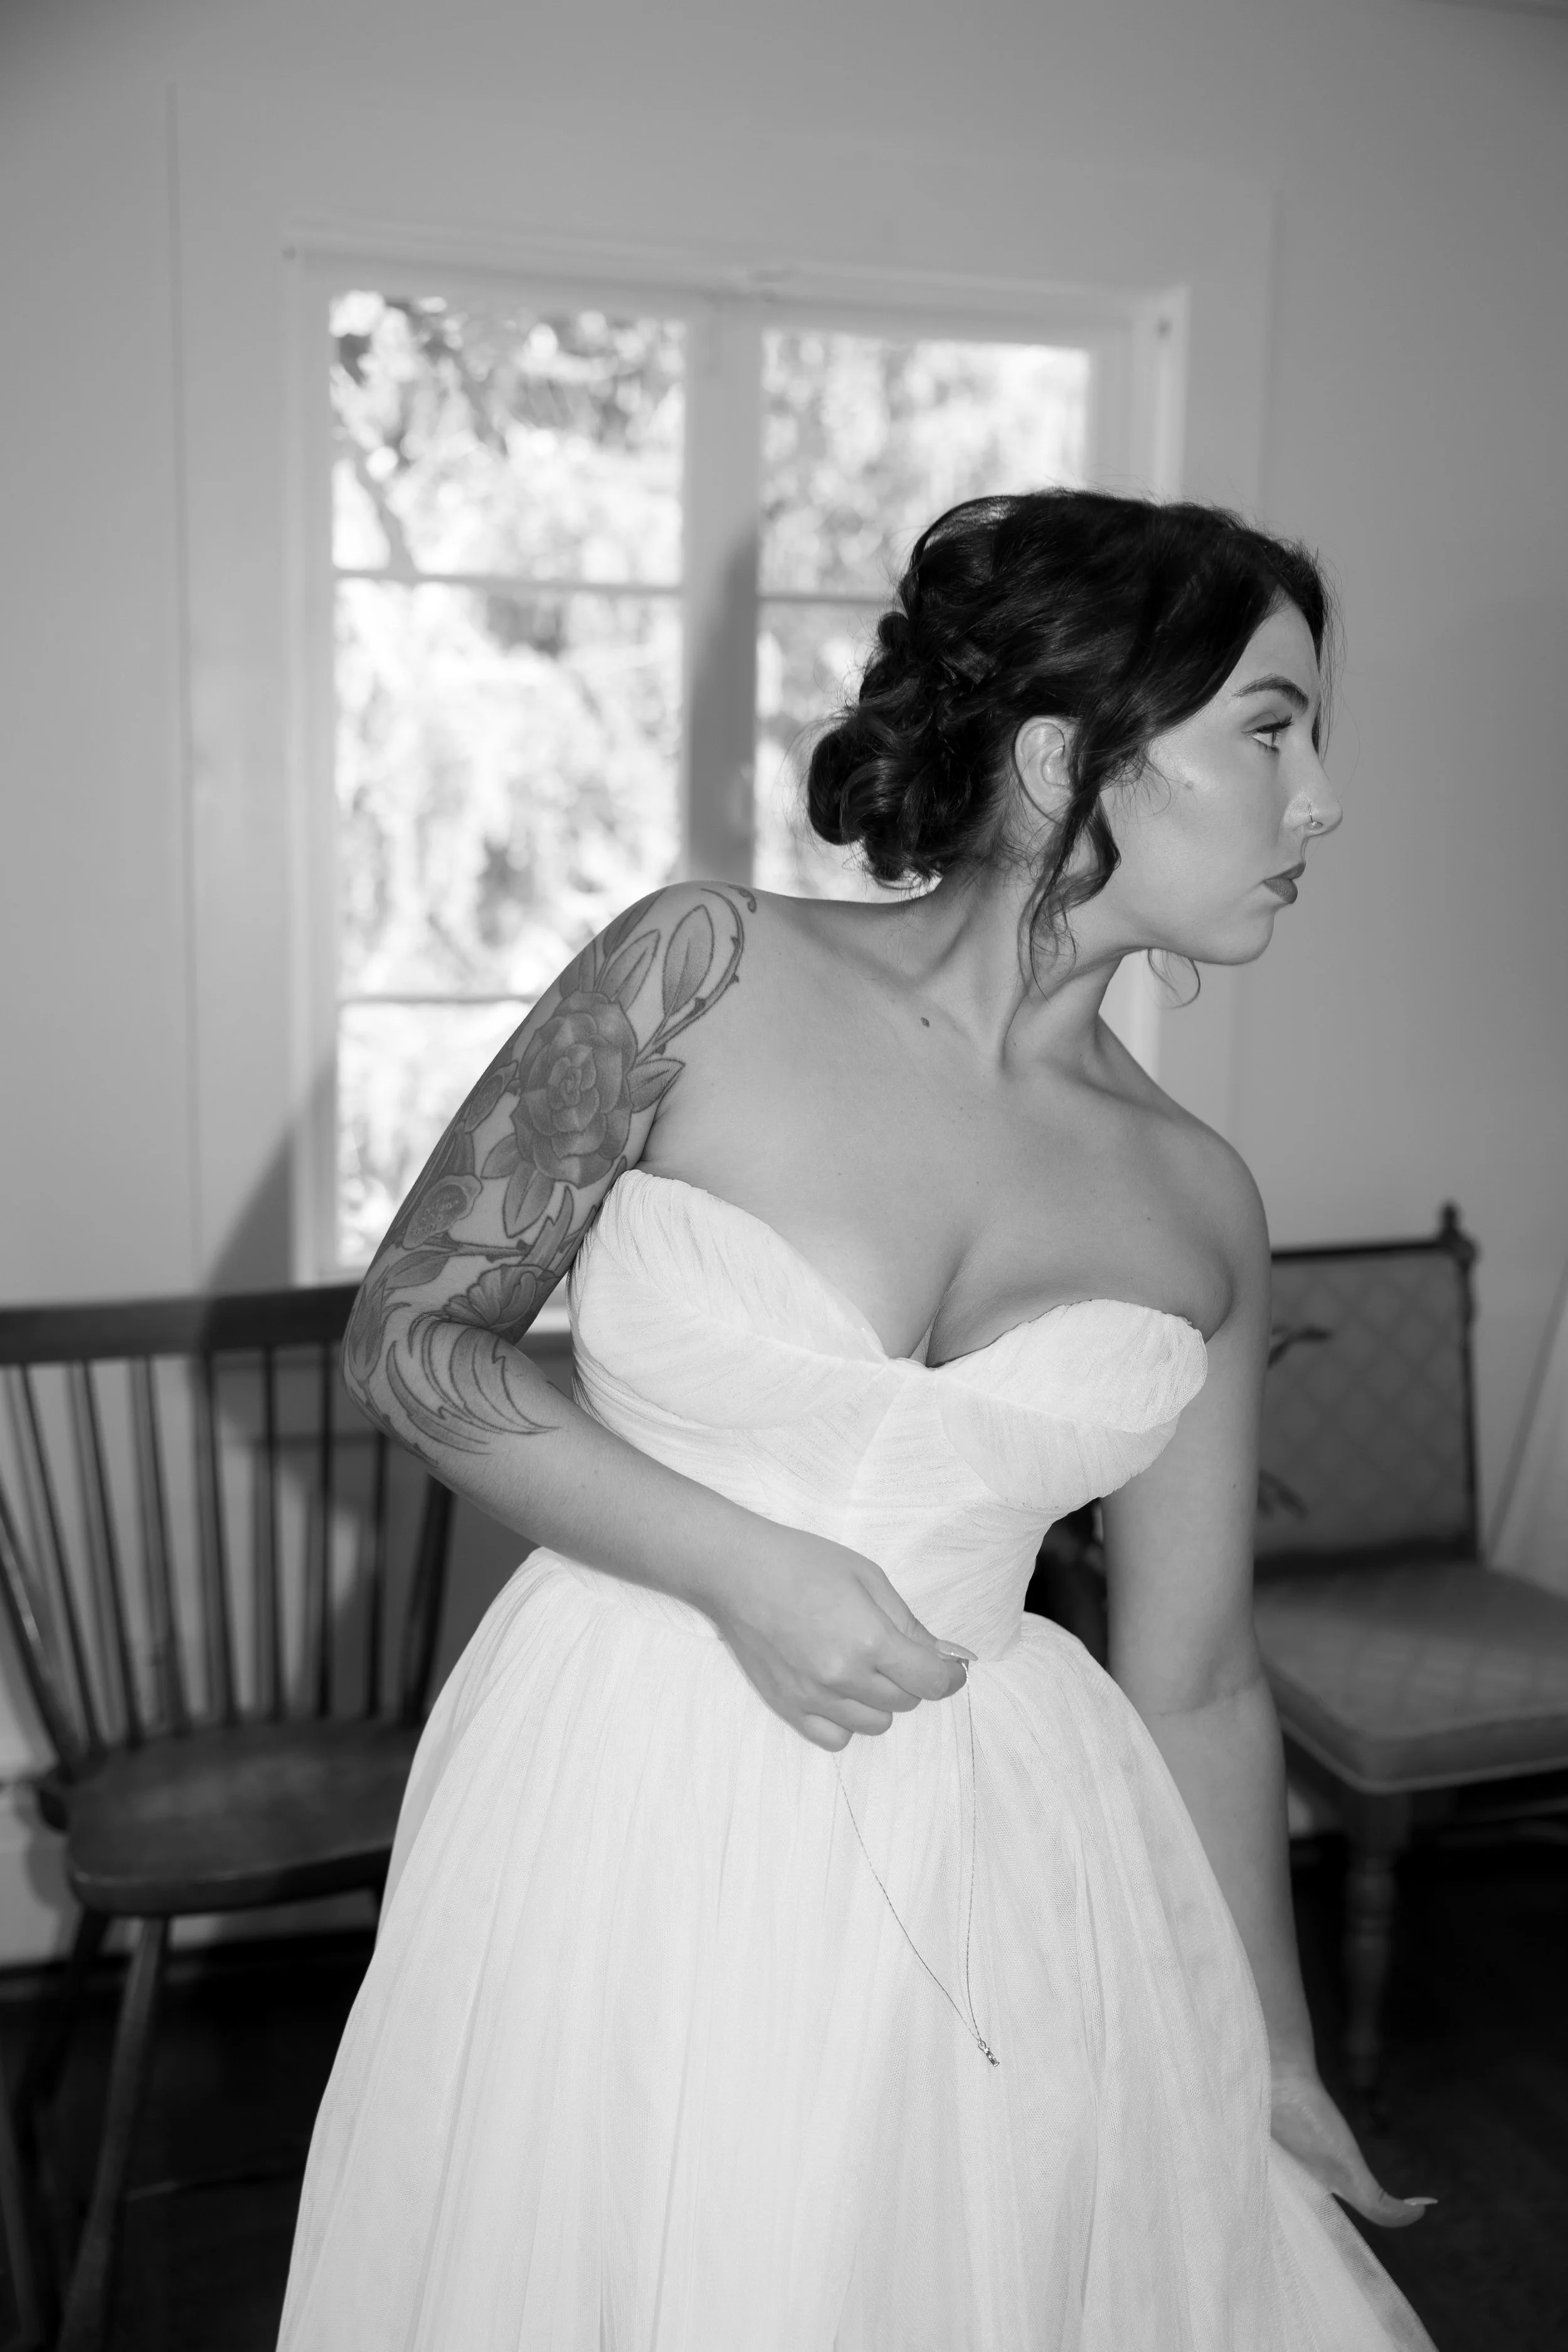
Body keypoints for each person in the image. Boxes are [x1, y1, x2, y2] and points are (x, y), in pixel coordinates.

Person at [278, 490, 1438, 2349]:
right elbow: (412, 1333)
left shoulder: (1200, 1199)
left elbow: (1200, 1675)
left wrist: (1272, 2053)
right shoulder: (702, 971)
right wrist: (747, 1569)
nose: (1320, 801)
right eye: (1272, 728)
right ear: (1072, 757)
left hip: (999, 1860)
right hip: (626, 1788)